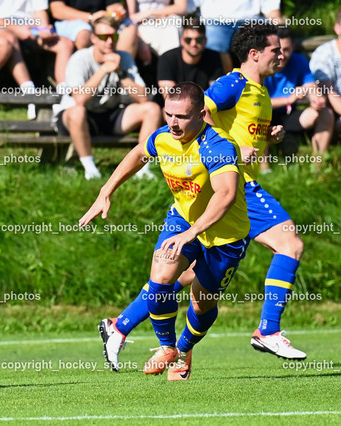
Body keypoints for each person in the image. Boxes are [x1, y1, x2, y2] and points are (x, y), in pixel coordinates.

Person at [99, 22, 306, 373]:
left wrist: (266, 138)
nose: (282, 55)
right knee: (291, 245)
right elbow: (202, 111)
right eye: (276, 49)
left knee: (187, 280)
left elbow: (235, 130)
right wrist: (228, 148)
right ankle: (267, 330)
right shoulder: (233, 84)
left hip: (231, 187)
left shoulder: (260, 91)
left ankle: (122, 326)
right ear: (255, 53)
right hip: (235, 186)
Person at [81, 81, 250, 381]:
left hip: (225, 236)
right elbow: (138, 154)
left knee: (201, 304)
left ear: (201, 115)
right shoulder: (163, 138)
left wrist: (193, 233)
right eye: (169, 114)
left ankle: (184, 349)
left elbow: (226, 195)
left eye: (182, 116)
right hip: (182, 221)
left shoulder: (217, 145)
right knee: (160, 277)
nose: (173, 122)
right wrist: (105, 191)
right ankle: (167, 348)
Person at [53, 16, 161, 180]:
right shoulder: (79, 58)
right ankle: (90, 170)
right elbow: (79, 100)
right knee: (77, 112)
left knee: (152, 109)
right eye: (104, 37)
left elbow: (143, 98)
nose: (109, 41)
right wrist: (103, 70)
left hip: (109, 115)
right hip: (76, 118)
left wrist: (120, 73)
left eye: (114, 36)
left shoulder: (124, 58)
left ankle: (142, 169)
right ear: (93, 38)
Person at [265, 27, 333, 160]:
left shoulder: (299, 60)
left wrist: (317, 100)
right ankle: (264, 166)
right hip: (266, 116)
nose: (282, 55)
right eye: (278, 50)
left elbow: (311, 86)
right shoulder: (263, 65)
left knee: (326, 113)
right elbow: (255, 103)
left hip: (290, 115)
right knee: (256, 115)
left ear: (293, 47)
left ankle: (319, 163)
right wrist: (288, 100)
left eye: (286, 49)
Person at [0, 0, 74, 92]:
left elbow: (39, 11)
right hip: (1, 27)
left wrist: (43, 29)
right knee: (10, 40)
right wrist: (16, 29)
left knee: (65, 44)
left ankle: (64, 90)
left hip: (31, 28)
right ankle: (28, 90)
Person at [194, 0, 282, 72]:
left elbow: (272, 10)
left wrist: (282, 29)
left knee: (272, 43)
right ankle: (227, 82)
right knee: (215, 46)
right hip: (214, 20)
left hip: (251, 19)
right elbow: (187, 8)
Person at [157, 15, 224, 98]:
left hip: (204, 104)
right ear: (182, 40)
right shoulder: (167, 58)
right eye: (188, 40)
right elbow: (171, 98)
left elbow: (216, 94)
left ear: (205, 41)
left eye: (198, 40)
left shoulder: (213, 57)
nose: (193, 44)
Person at [48, 0, 138, 56]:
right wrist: (90, 17)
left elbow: (113, 5)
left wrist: (116, 12)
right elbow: (57, 10)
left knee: (129, 30)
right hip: (72, 21)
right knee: (83, 33)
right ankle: (92, 73)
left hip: (101, 20)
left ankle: (120, 71)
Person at [309, 8, 341, 139]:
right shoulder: (324, 54)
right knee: (327, 113)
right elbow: (329, 93)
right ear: (337, 28)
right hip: (330, 109)